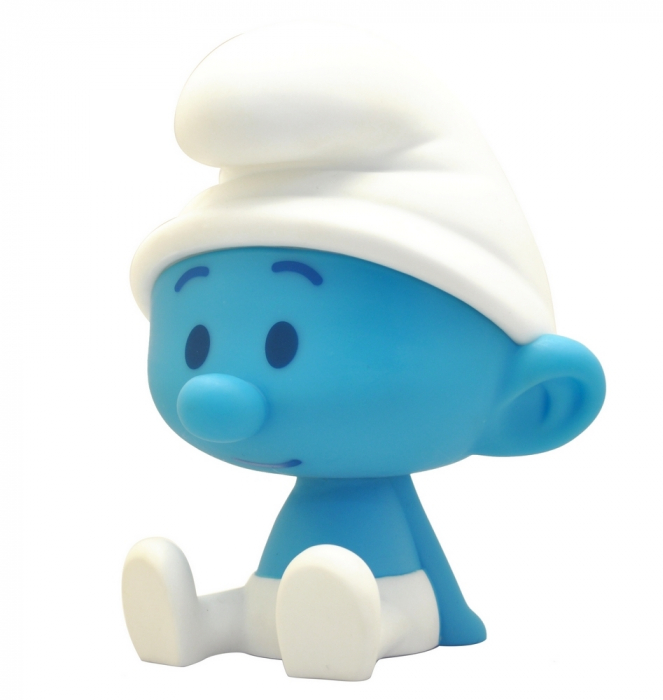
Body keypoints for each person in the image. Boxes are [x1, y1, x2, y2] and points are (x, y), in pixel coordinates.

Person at [123, 23, 605, 681]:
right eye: (196, 342)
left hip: (390, 599)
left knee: (368, 603)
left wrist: (454, 619)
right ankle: (201, 624)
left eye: (284, 344)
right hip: (285, 593)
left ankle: (355, 629)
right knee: (268, 598)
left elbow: (428, 563)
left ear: (534, 401)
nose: (211, 396)